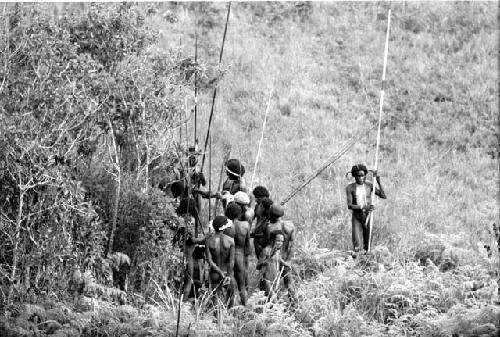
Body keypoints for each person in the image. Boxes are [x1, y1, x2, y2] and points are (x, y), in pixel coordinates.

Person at [345, 164, 386, 254]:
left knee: (368, 247)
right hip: (357, 217)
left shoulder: (369, 186)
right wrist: (363, 206)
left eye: (363, 175)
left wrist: (378, 181)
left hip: (368, 216)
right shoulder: (350, 188)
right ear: (354, 176)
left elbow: (383, 196)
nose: (361, 178)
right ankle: (356, 261)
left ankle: (367, 263)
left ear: (365, 175)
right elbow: (350, 205)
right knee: (357, 246)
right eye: (358, 176)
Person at [264, 204, 296, 295]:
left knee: (271, 284)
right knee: (289, 283)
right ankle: (294, 306)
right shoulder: (290, 225)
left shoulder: (269, 227)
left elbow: (268, 244)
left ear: (271, 215)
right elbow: (291, 245)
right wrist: (288, 260)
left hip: (275, 259)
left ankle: (273, 305)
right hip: (286, 258)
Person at [205, 215, 236, 307]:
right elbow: (231, 261)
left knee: (215, 297)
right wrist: (227, 275)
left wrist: (219, 272)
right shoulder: (230, 241)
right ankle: (228, 316)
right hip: (227, 272)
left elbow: (209, 261)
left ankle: (216, 319)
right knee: (231, 295)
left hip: (215, 273)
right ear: (225, 227)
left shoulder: (209, 241)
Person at [225, 202, 250, 305]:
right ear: (239, 214)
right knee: (242, 285)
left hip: (228, 257)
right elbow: (248, 246)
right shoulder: (245, 225)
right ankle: (246, 308)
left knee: (229, 284)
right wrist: (245, 260)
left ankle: (229, 308)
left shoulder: (225, 227)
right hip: (240, 255)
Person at [256, 231, 290, 300]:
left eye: (282, 241)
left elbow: (278, 259)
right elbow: (258, 266)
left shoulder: (277, 251)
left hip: (275, 282)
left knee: (272, 305)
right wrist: (266, 261)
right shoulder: (266, 250)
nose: (280, 243)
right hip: (266, 281)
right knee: (274, 302)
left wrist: (286, 264)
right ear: (272, 240)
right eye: (278, 241)